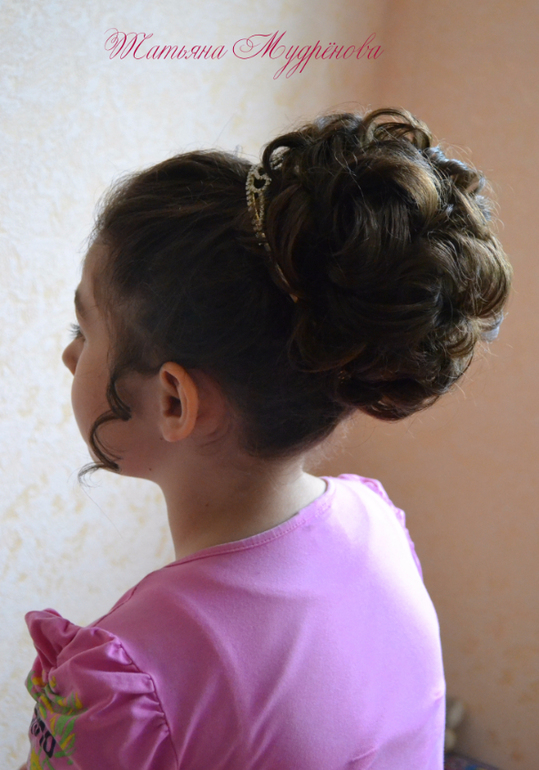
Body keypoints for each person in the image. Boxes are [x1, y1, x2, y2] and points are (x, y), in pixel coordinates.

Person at [21, 107, 512, 770]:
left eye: (83, 330)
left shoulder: (130, 680)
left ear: (173, 401)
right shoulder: (376, 522)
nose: (69, 357)